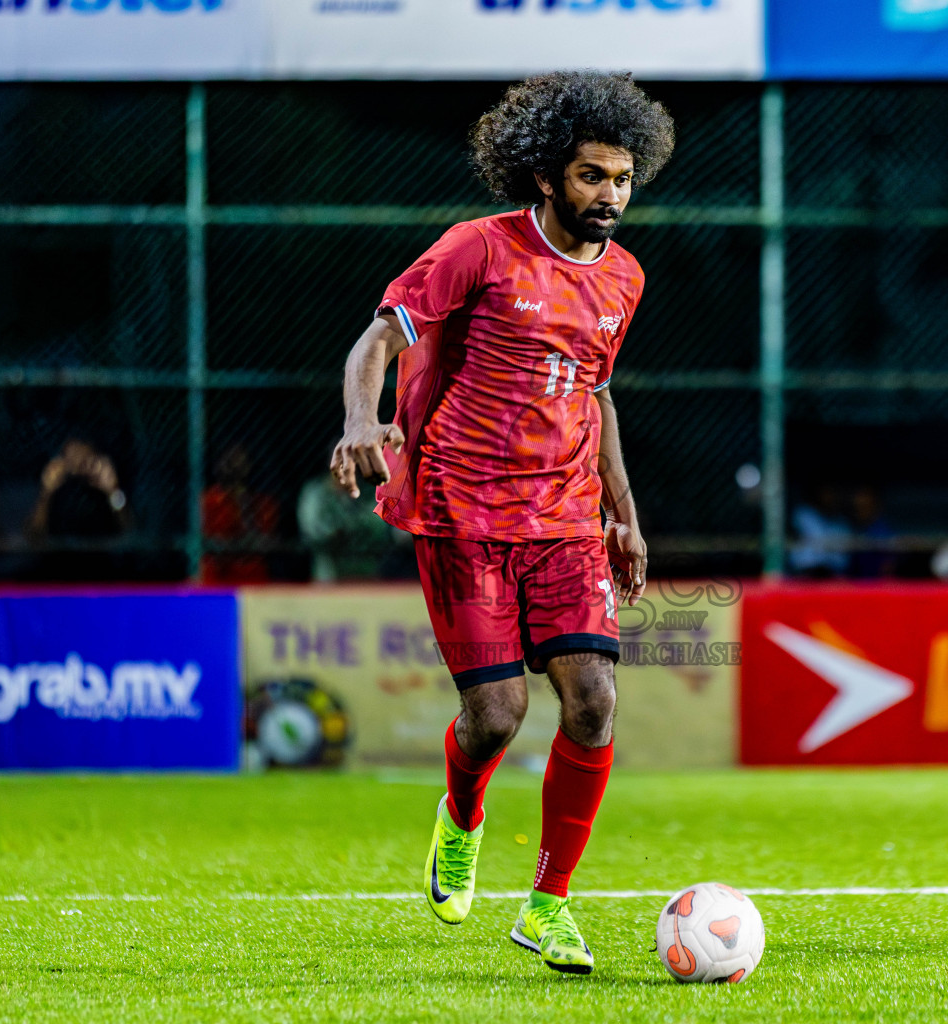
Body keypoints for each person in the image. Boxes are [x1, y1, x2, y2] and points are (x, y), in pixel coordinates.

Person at [328, 72, 673, 975]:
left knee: (594, 704)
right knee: (497, 714)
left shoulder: (625, 280)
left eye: (623, 178)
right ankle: (463, 815)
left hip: (563, 520)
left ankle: (549, 905)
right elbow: (378, 339)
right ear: (547, 176)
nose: (612, 196)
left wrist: (623, 516)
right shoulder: (476, 251)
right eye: (594, 176)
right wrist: (364, 422)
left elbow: (595, 396)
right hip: (461, 512)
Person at [26, 436, 129, 580]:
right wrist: (46, 493)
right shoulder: (55, 490)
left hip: (103, 576)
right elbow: (33, 538)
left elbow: (131, 534)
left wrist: (113, 490)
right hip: (56, 576)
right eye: (70, 458)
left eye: (84, 458)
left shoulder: (104, 490)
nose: (77, 462)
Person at [202, 443, 281, 584]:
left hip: (253, 579)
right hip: (216, 579)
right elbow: (215, 544)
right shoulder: (208, 501)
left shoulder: (264, 503)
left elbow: (264, 542)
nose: (234, 465)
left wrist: (243, 501)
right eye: (229, 459)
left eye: (239, 458)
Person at [297, 471, 392, 582]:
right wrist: (336, 531)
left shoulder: (366, 491)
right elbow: (313, 529)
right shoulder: (316, 492)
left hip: (364, 560)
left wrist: (351, 527)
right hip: (330, 565)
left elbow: (378, 525)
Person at [790, 482, 851, 578]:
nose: (830, 497)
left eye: (833, 492)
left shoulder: (842, 523)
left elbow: (842, 561)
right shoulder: (803, 515)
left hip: (834, 577)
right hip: (805, 575)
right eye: (827, 492)